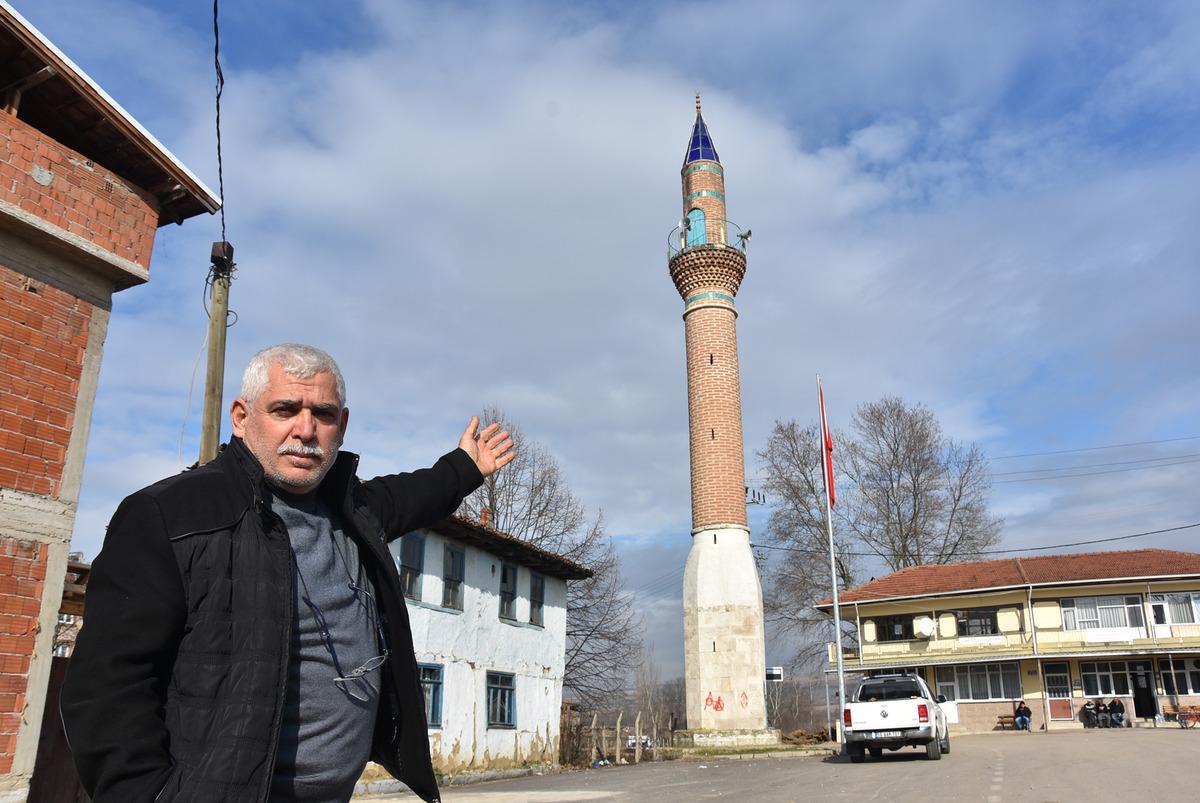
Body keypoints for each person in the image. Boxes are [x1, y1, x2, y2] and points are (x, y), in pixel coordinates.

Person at [61, 344, 514, 803]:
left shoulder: (353, 511)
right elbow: (108, 686)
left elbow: (414, 495)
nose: (305, 429)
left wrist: (466, 468)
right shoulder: (168, 517)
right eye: (284, 409)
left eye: (323, 413)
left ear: (343, 426)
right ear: (241, 417)